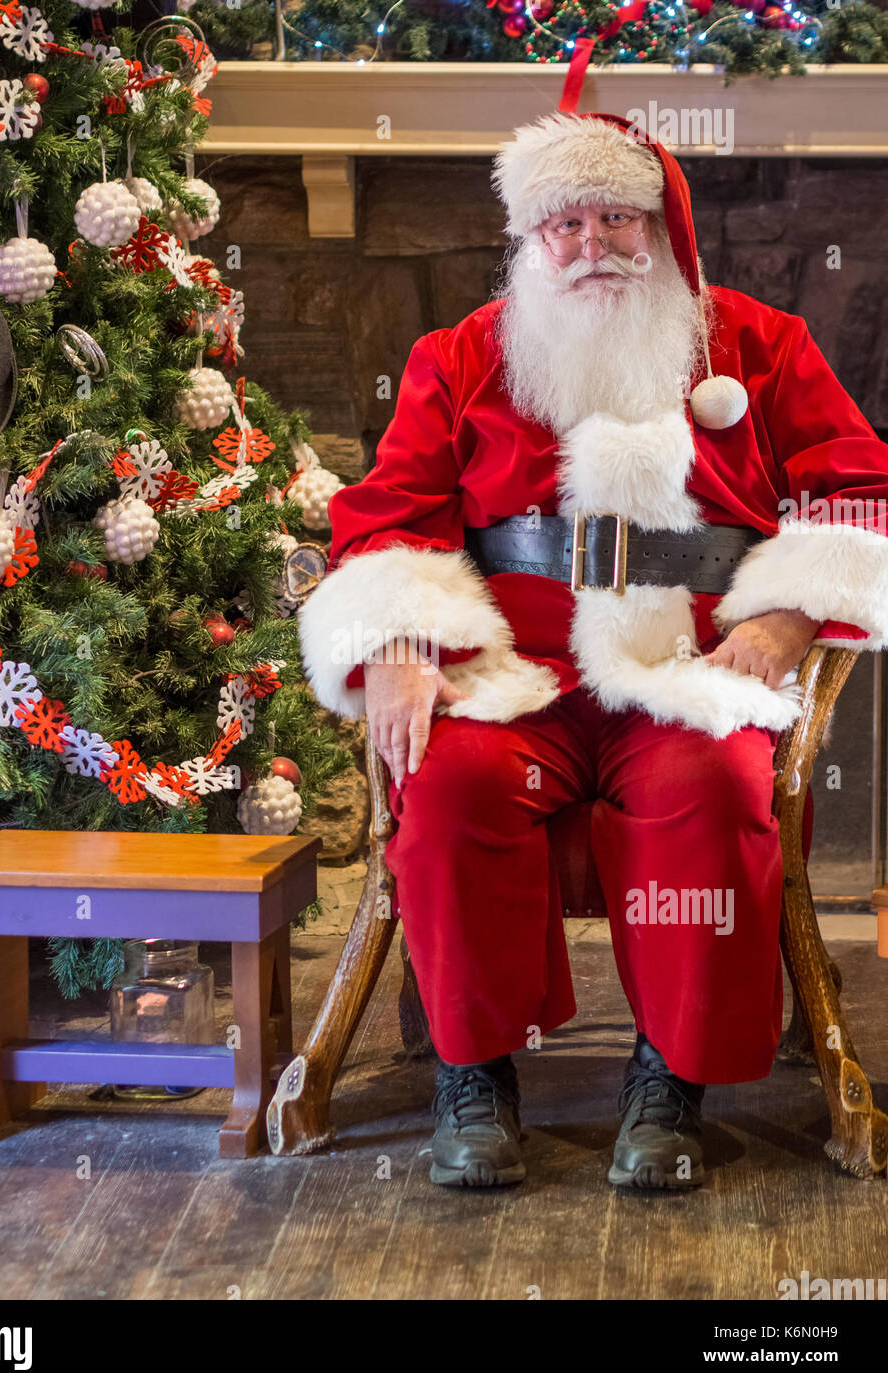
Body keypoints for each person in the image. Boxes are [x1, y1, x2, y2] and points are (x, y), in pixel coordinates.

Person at [298, 111, 888, 1191]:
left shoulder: (757, 344)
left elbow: (858, 492)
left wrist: (786, 615)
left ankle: (669, 1076)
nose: (590, 243)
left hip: (689, 679)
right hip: (506, 683)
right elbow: (385, 515)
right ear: (530, 239)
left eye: (614, 216)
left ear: (657, 226)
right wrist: (393, 635)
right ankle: (474, 1075)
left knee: (713, 789)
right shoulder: (459, 356)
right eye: (562, 223)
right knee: (443, 790)